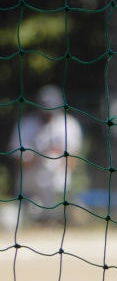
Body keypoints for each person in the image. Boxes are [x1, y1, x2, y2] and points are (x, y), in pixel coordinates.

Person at [9, 85, 83, 224]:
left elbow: (72, 161)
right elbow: (19, 162)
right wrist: (40, 154)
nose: (48, 112)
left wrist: (53, 154)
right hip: (31, 176)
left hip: (58, 177)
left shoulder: (68, 124)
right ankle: (41, 217)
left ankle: (55, 217)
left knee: (52, 164)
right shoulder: (26, 125)